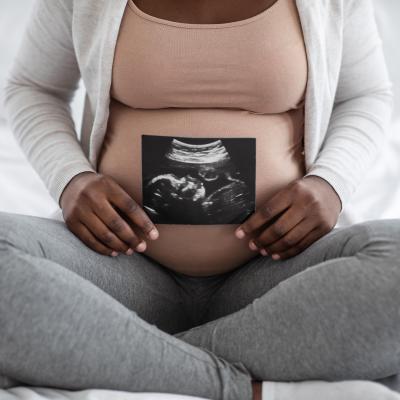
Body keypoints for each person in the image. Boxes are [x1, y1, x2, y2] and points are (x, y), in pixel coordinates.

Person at [1, 0, 399, 399]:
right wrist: (70, 178)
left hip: (276, 276)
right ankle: (241, 386)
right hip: (119, 268)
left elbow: (365, 95)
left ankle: (116, 350)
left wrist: (331, 183)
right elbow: (33, 88)